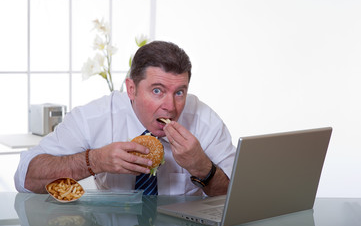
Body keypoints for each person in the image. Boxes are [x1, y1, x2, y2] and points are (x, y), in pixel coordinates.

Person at [14, 41, 236, 196]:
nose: (170, 106)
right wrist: (95, 161)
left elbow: (237, 198)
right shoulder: (95, 117)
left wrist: (203, 168)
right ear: (131, 89)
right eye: (157, 91)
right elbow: (25, 178)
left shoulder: (205, 121)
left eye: (179, 92)